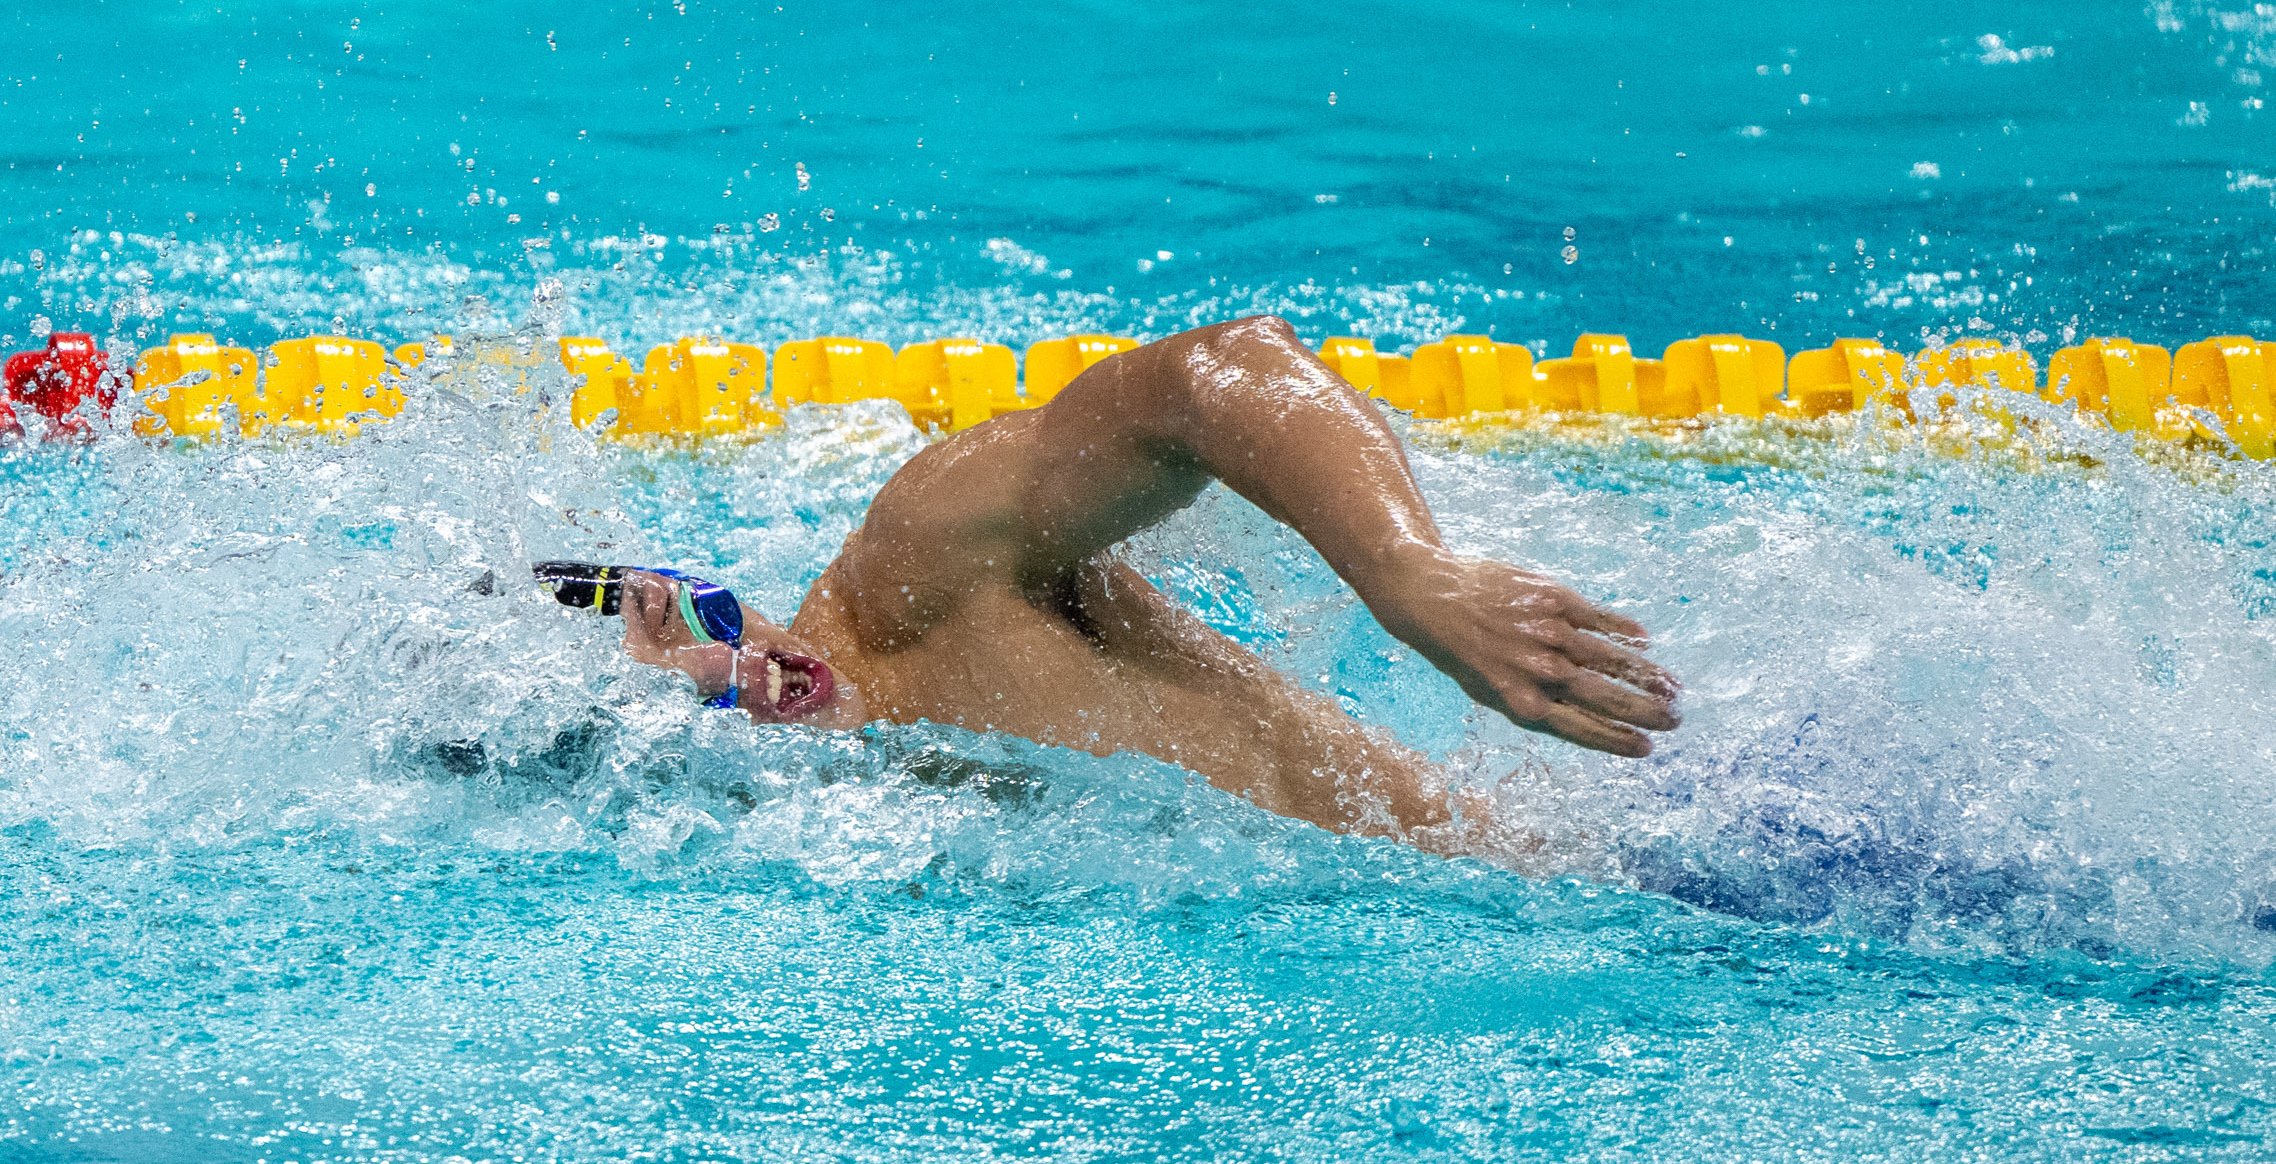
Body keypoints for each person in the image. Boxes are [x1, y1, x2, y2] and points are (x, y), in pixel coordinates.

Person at [554, 315, 1680, 852]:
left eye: (684, 614)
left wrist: (1407, 573)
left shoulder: (915, 572)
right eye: (688, 698)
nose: (732, 669)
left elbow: (1217, 371)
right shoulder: (864, 831)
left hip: (1643, 870)